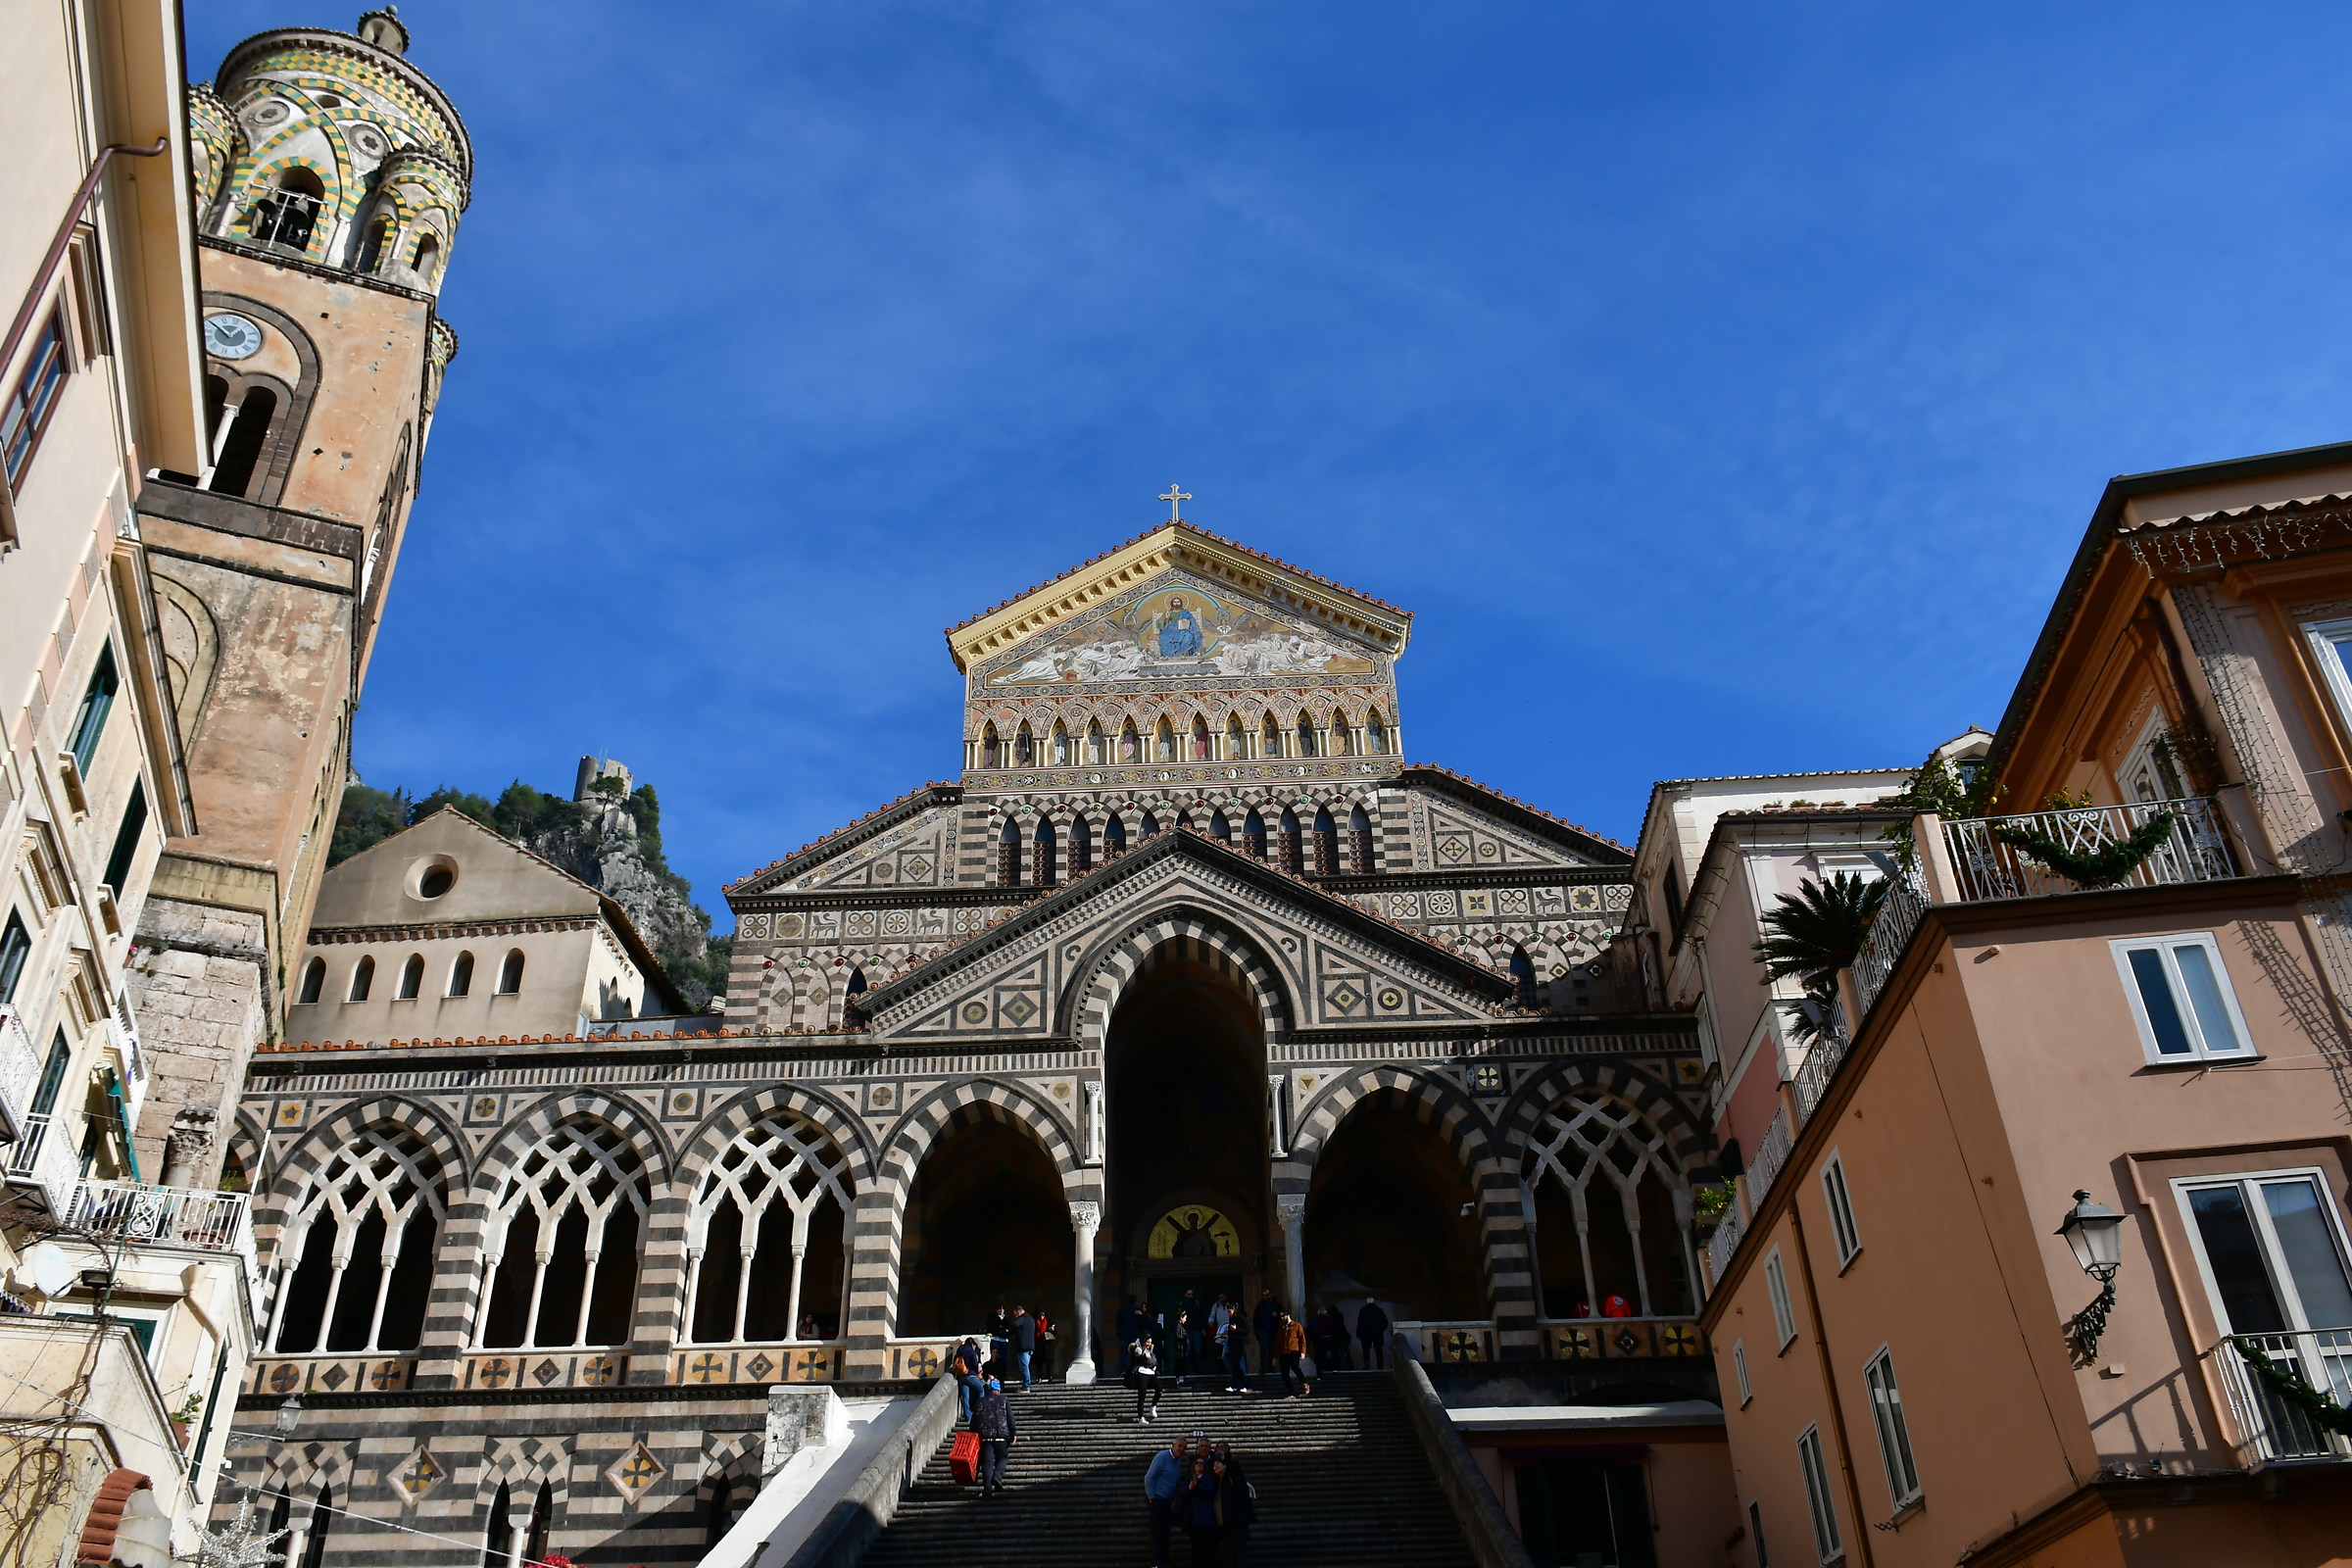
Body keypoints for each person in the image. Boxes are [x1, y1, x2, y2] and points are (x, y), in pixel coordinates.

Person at [1144, 1434, 1189, 1568]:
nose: (1182, 1449)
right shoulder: (1162, 1457)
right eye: (1179, 1446)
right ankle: (1157, 1563)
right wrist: (1151, 1498)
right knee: (1158, 1533)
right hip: (1158, 1500)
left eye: (1184, 1448)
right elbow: (1149, 1477)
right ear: (1173, 1446)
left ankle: (1164, 1561)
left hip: (1168, 1502)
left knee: (1165, 1533)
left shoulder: (1177, 1461)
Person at [971, 1376, 1016, 1499]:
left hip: (985, 1438)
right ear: (998, 1390)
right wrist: (1013, 1433)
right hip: (1001, 1436)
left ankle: (987, 1490)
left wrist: (973, 1433)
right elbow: (1010, 1418)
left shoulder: (981, 1401)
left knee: (987, 1463)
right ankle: (997, 1476)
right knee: (1003, 1458)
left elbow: (974, 1420)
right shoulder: (1004, 1400)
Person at [1213, 1442, 1256, 1567]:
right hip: (1224, 1521)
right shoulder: (1216, 1477)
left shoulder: (1233, 1469)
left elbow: (1240, 1489)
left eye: (1223, 1447)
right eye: (1218, 1447)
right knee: (1228, 1549)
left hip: (1236, 1520)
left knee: (1239, 1549)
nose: (1215, 1466)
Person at [1182, 1453, 1221, 1566]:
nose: (1199, 1465)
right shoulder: (1188, 1479)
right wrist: (1189, 1488)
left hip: (1205, 1519)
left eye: (1201, 1463)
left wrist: (1197, 1486)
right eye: (1197, 1463)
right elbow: (1181, 1492)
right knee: (1195, 1549)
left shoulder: (1208, 1479)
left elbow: (1210, 1492)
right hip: (1192, 1518)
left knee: (1207, 1548)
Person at [1274, 1309, 1310, 1398]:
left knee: (1295, 1366)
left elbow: (1302, 1339)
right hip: (1283, 1352)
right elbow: (1278, 1343)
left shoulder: (1296, 1326)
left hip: (1294, 1350)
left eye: (1283, 1316)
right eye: (1280, 1317)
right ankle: (1291, 1393)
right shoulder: (1281, 1329)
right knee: (1284, 1373)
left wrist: (1303, 1352)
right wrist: (1275, 1357)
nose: (1282, 1318)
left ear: (1288, 1315)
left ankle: (1304, 1382)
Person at [951, 1336, 988, 1424]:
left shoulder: (959, 1352)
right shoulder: (971, 1353)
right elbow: (975, 1364)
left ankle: (968, 1417)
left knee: (965, 1398)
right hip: (971, 1376)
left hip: (961, 1378)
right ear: (972, 1344)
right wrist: (976, 1372)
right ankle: (980, 1412)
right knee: (981, 1391)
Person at [1129, 1332, 1164, 1423]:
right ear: (1143, 1341)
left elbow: (1152, 1359)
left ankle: (1153, 1406)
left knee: (1159, 1389)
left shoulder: (1149, 1349)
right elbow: (1134, 1360)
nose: (1149, 1344)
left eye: (1150, 1342)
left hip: (1151, 1372)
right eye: (1147, 1342)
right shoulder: (1137, 1348)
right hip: (1141, 1373)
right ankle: (1141, 1417)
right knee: (1142, 1395)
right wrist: (1144, 1356)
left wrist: (1155, 1366)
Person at [1356, 1296, 1391, 1371]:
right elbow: (1385, 1323)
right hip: (1377, 1334)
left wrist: (1358, 1333)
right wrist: (1380, 1330)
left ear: (1366, 1303)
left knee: (1366, 1350)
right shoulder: (1379, 1310)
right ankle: (1380, 1366)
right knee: (1378, 1350)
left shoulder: (1363, 1310)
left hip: (1366, 1334)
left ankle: (1367, 1364)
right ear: (1374, 1302)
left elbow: (1360, 1322)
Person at [1252, 1289, 1281, 1374]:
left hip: (1273, 1330)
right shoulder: (1260, 1305)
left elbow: (1283, 1314)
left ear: (1271, 1295)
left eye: (1267, 1295)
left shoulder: (1276, 1304)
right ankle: (1264, 1368)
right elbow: (1256, 1318)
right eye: (1264, 1295)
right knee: (1264, 1348)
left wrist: (1277, 1315)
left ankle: (1271, 1367)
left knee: (1272, 1349)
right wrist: (1257, 1330)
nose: (1265, 1297)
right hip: (1262, 1330)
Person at [1222, 1314, 1250, 1394]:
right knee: (1234, 1365)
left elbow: (1246, 1330)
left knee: (1241, 1364)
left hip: (1240, 1345)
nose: (1229, 1313)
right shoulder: (1231, 1320)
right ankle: (1235, 1384)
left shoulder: (1241, 1318)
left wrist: (1236, 1329)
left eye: (1230, 1311)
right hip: (1233, 1346)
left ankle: (1244, 1384)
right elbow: (1230, 1335)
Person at [1011, 1304, 1038, 1391]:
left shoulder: (1022, 1319)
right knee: (1026, 1366)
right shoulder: (1031, 1320)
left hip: (1023, 1347)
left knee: (1024, 1367)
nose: (1015, 1316)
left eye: (1015, 1314)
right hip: (1030, 1347)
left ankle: (1026, 1386)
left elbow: (1015, 1324)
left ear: (1018, 1312)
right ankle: (1026, 1385)